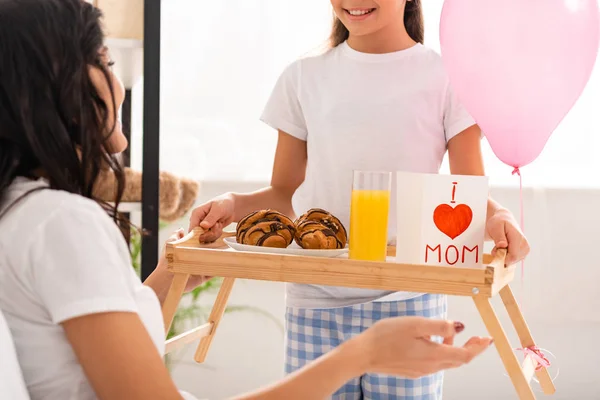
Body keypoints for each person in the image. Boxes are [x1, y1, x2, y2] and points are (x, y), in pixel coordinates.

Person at [0, 1, 494, 399]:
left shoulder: (34, 215)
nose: (121, 84)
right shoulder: (59, 224)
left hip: (404, 288)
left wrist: (175, 271)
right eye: (106, 61)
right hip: (317, 290)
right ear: (57, 89)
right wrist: (360, 354)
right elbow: (285, 192)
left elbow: (466, 194)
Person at [189, 0, 530, 398]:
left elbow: (466, 192)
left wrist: (499, 216)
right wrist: (234, 203)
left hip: (409, 296)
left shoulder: (448, 77)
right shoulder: (303, 77)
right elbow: (285, 194)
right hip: (317, 299)